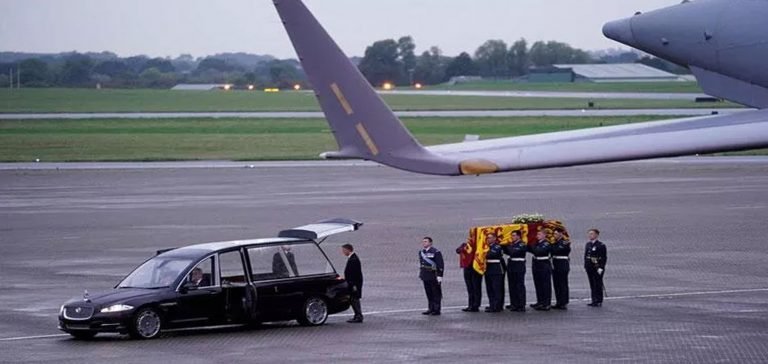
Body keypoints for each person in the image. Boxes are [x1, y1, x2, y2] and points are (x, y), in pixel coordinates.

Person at [419, 237, 444, 316]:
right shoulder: (421, 252)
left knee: (436, 293)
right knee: (429, 293)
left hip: (433, 275)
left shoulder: (436, 252)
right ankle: (430, 308)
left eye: (426, 242)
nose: (424, 243)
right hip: (425, 275)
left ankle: (436, 309)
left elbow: (440, 264)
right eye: (423, 242)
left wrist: (440, 275)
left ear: (430, 243)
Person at [503, 230, 527, 312]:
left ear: (518, 236)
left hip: (519, 267)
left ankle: (521, 304)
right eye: (511, 235)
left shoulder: (522, 244)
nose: (512, 237)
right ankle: (514, 303)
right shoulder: (512, 244)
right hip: (511, 267)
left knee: (519, 286)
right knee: (512, 286)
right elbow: (506, 251)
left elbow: (512, 252)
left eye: (513, 235)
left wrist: (506, 246)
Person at [529, 229, 553, 311]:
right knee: (538, 284)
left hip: (544, 265)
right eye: (537, 234)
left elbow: (538, 251)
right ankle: (540, 301)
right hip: (537, 265)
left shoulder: (546, 243)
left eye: (539, 234)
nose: (537, 236)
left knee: (545, 285)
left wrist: (532, 245)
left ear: (544, 235)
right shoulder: (538, 243)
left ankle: (546, 303)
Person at [456, 239, 482, 312]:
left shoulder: (478, 245)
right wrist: (465, 248)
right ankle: (470, 304)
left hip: (475, 269)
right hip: (467, 268)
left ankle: (476, 305)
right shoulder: (465, 245)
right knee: (470, 288)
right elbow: (458, 250)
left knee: (476, 288)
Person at [584, 229, 608, 307]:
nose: (590, 235)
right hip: (589, 267)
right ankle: (594, 299)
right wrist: (586, 265)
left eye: (592, 234)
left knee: (597, 283)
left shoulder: (601, 245)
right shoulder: (588, 244)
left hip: (597, 267)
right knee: (592, 284)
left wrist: (601, 267)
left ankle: (599, 300)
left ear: (596, 235)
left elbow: (604, 257)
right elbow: (586, 256)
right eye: (589, 234)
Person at [342, 244, 364, 323]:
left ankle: (358, 315)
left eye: (344, 250)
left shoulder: (353, 259)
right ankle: (357, 315)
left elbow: (354, 273)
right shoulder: (352, 258)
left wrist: (353, 284)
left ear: (348, 250)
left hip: (354, 283)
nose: (343, 252)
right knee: (353, 299)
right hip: (353, 283)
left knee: (354, 299)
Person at [484, 233, 505, 312]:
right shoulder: (487, 246)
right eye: (487, 238)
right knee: (490, 288)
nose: (488, 239)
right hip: (488, 269)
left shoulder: (497, 247)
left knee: (497, 289)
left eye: (490, 238)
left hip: (496, 270)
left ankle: (497, 306)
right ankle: (492, 304)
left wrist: (483, 253)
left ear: (494, 238)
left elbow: (490, 254)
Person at [551, 228, 571, 310]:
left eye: (556, 234)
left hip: (562, 264)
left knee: (563, 284)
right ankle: (559, 301)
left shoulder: (565, 242)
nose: (554, 235)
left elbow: (557, 250)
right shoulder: (555, 242)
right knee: (557, 284)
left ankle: (564, 302)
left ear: (561, 234)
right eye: (554, 234)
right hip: (555, 264)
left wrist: (551, 247)